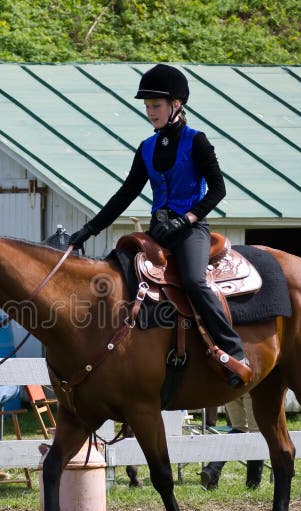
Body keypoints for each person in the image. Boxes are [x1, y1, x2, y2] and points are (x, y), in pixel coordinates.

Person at [67, 63, 251, 388]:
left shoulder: (197, 141)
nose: (150, 112)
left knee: (194, 282)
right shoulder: (147, 147)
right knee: (121, 275)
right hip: (158, 231)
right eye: (147, 106)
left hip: (191, 230)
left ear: (176, 104)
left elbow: (219, 188)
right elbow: (125, 193)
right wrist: (89, 229)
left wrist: (187, 218)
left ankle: (234, 351)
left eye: (156, 106)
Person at [200, 394, 265, 490]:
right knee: (256, 432)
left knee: (239, 428)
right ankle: (253, 484)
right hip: (251, 385)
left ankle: (212, 469)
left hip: (230, 387)